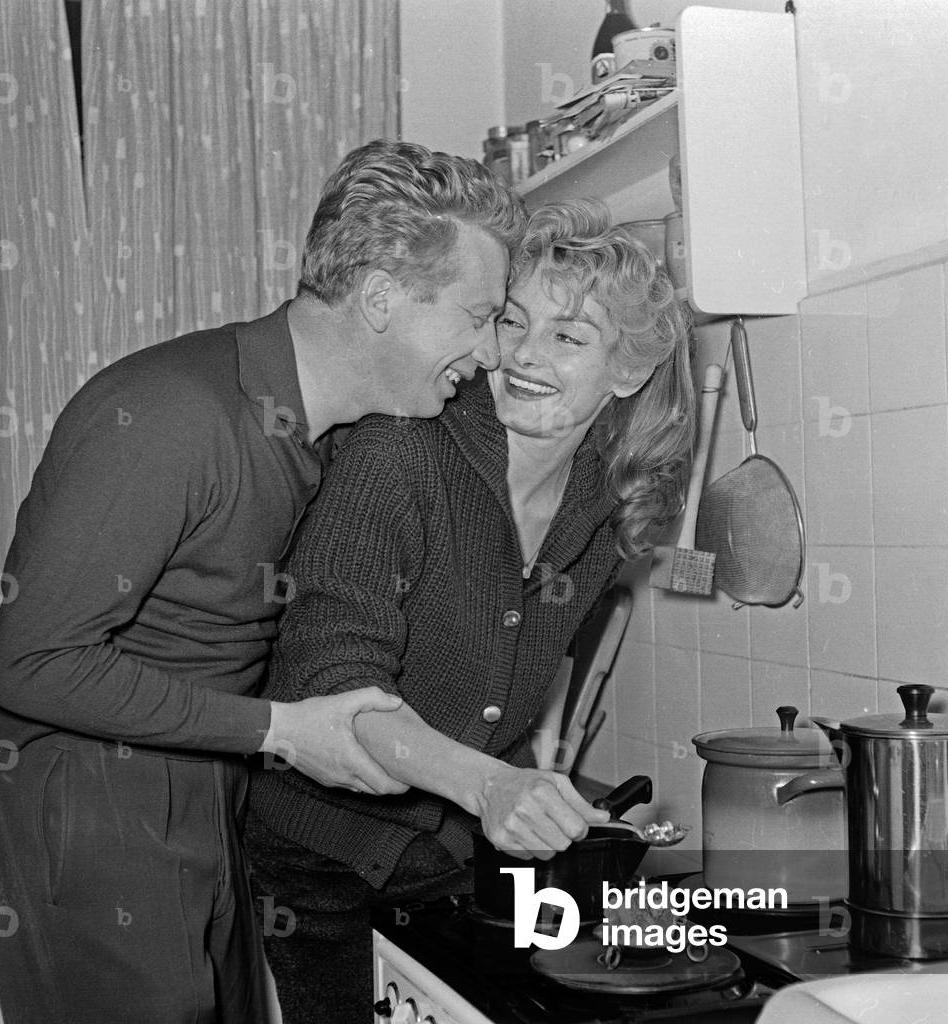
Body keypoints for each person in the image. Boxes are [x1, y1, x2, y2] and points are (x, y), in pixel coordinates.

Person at [0, 138, 525, 1024]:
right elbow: (29, 663)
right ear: (382, 297)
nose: (490, 353)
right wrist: (280, 731)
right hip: (92, 804)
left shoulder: (316, 434)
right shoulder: (173, 416)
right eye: (478, 316)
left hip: (205, 785)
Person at [245, 198, 696, 1022]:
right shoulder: (401, 451)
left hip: (444, 848)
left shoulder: (603, 506)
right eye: (513, 322)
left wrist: (525, 791)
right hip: (318, 853)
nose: (522, 356)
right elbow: (330, 679)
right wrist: (492, 787)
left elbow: (497, 683)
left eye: (568, 337)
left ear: (626, 371)